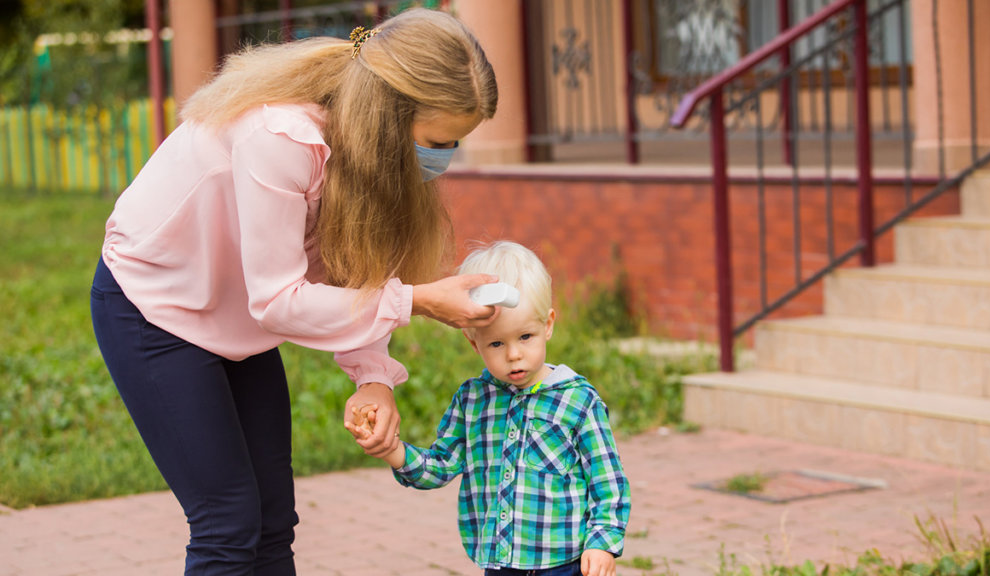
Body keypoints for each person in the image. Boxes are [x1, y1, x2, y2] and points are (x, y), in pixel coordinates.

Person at [89, 8, 499, 575]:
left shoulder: (366, 149)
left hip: (236, 319)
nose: (444, 156)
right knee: (228, 523)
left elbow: (355, 269)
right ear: (390, 112)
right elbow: (279, 302)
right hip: (154, 309)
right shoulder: (281, 135)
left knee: (273, 521)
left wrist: (373, 378)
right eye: (438, 140)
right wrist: (419, 300)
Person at [348, 241, 632, 576]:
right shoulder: (473, 401)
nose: (513, 354)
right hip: (499, 561)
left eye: (526, 336)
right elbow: (441, 465)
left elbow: (606, 479)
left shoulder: (576, 400)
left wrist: (602, 542)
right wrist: (392, 449)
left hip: (565, 563)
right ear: (474, 342)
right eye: (496, 343)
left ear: (548, 325)